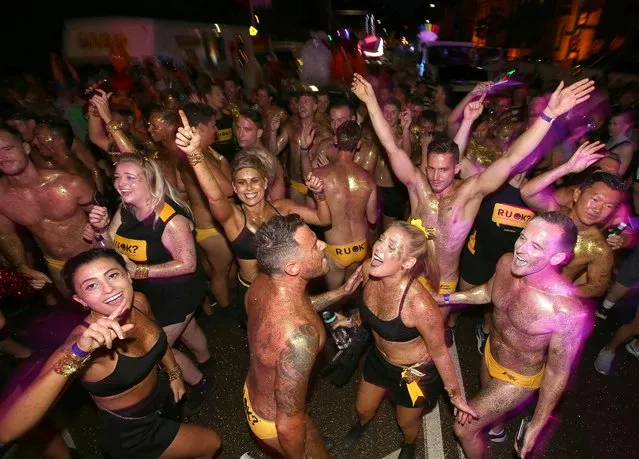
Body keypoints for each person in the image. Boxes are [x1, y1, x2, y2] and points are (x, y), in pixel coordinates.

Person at [351, 73, 595, 313]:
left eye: (444, 170)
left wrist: (548, 115)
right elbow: (391, 146)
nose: (436, 177)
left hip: (444, 282)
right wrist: (371, 101)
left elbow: (512, 158)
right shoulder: (417, 185)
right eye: (432, 169)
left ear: (457, 168)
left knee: (435, 331)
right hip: (410, 272)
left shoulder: (469, 193)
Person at [0, 248, 221, 459]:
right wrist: (79, 352)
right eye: (92, 286)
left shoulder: (139, 302)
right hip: (134, 433)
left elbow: (159, 338)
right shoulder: (84, 343)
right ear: (81, 300)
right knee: (211, 443)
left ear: (128, 275)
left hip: (160, 400)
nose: (109, 289)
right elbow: (8, 430)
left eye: (113, 275)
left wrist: (174, 373)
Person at [434, 211, 591, 458]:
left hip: (517, 379)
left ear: (558, 257)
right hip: (490, 352)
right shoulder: (507, 262)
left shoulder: (564, 310)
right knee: (489, 410)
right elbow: (488, 292)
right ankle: (496, 429)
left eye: (536, 246)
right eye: (522, 237)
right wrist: (444, 298)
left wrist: (538, 424)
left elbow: (557, 371)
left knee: (463, 429)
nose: (521, 249)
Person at [84, 154, 215, 416]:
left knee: (156, 346)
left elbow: (187, 264)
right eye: (118, 177)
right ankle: (207, 361)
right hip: (151, 293)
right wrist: (98, 232)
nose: (121, 183)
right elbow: (111, 248)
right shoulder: (125, 209)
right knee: (188, 329)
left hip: (179, 293)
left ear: (151, 181)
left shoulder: (170, 219)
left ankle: (202, 382)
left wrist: (139, 271)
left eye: (131, 177)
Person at [334, 222, 476, 458]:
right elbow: (370, 312)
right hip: (379, 361)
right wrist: (353, 320)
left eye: (392, 247)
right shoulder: (369, 270)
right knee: (362, 409)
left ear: (407, 263)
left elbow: (440, 352)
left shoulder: (418, 305)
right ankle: (362, 424)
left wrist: (455, 396)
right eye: (381, 239)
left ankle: (409, 443)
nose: (379, 247)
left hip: (415, 374)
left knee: (406, 422)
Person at [175, 110, 331, 324]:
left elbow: (324, 220)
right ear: (235, 189)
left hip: (285, 287)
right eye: (241, 182)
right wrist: (195, 155)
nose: (249, 188)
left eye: (254, 181)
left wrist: (319, 195)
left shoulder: (282, 209)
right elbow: (214, 198)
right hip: (251, 292)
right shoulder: (234, 218)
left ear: (265, 183)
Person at [243, 214, 361, 457]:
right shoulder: (299, 339)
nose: (323, 246)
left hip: (254, 392)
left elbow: (299, 306)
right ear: (293, 267)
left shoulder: (263, 282)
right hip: (274, 422)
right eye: (314, 244)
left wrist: (341, 292)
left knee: (311, 433)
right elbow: (288, 424)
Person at [0, 126, 96, 296]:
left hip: (93, 257)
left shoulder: (69, 182)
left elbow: (103, 212)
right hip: (57, 267)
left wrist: (102, 237)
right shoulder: (2, 196)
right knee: (81, 315)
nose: (2, 157)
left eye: (7, 149)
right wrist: (21, 265)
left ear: (26, 147)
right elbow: (7, 235)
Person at [520, 143, 626, 298]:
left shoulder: (599, 249)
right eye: (595, 199)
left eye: (608, 206)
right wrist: (567, 167)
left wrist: (564, 291)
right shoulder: (555, 215)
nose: (598, 209)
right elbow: (527, 192)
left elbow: (598, 286)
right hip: (519, 281)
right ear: (577, 195)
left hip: (547, 303)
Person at [178, 103, 236, 315]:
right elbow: (228, 189)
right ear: (200, 128)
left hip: (207, 226)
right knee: (222, 272)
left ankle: (221, 303)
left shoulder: (198, 154)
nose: (216, 129)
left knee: (221, 270)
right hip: (211, 228)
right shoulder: (199, 157)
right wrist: (223, 161)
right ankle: (226, 314)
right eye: (212, 125)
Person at [312, 121, 377, 289]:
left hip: (336, 249)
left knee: (333, 299)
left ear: (335, 140)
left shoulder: (319, 174)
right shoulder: (367, 177)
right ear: (359, 144)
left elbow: (315, 214)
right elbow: (372, 218)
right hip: (360, 246)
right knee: (351, 293)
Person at [269, 92, 332, 203]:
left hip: (315, 184)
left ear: (315, 106)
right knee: (296, 218)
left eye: (306, 102)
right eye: (299, 102)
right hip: (296, 184)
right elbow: (273, 152)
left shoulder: (324, 132)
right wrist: (273, 131)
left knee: (313, 219)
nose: (301, 105)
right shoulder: (290, 128)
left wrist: (329, 168)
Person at [312, 98, 379, 174]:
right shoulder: (325, 145)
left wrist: (329, 170)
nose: (336, 126)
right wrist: (303, 149)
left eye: (341, 121)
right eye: (333, 121)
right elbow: (310, 177)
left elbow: (365, 183)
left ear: (352, 119)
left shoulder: (368, 148)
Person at [237, 108, 286, 200]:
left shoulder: (266, 160)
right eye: (238, 128)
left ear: (259, 133)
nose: (240, 134)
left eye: (247, 130)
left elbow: (277, 200)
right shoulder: (243, 155)